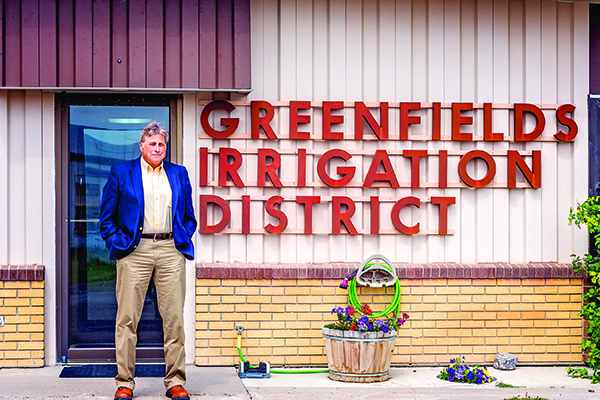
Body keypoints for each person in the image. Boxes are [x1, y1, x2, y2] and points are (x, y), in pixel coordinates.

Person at [99, 122, 197, 400]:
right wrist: (118, 242)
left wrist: (182, 238)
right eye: (152, 143)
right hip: (134, 251)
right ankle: (124, 383)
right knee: (127, 319)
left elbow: (189, 215)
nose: (157, 148)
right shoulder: (122, 172)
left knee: (174, 319)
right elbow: (106, 217)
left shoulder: (178, 173)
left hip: (170, 251)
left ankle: (175, 381)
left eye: (161, 144)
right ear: (141, 146)